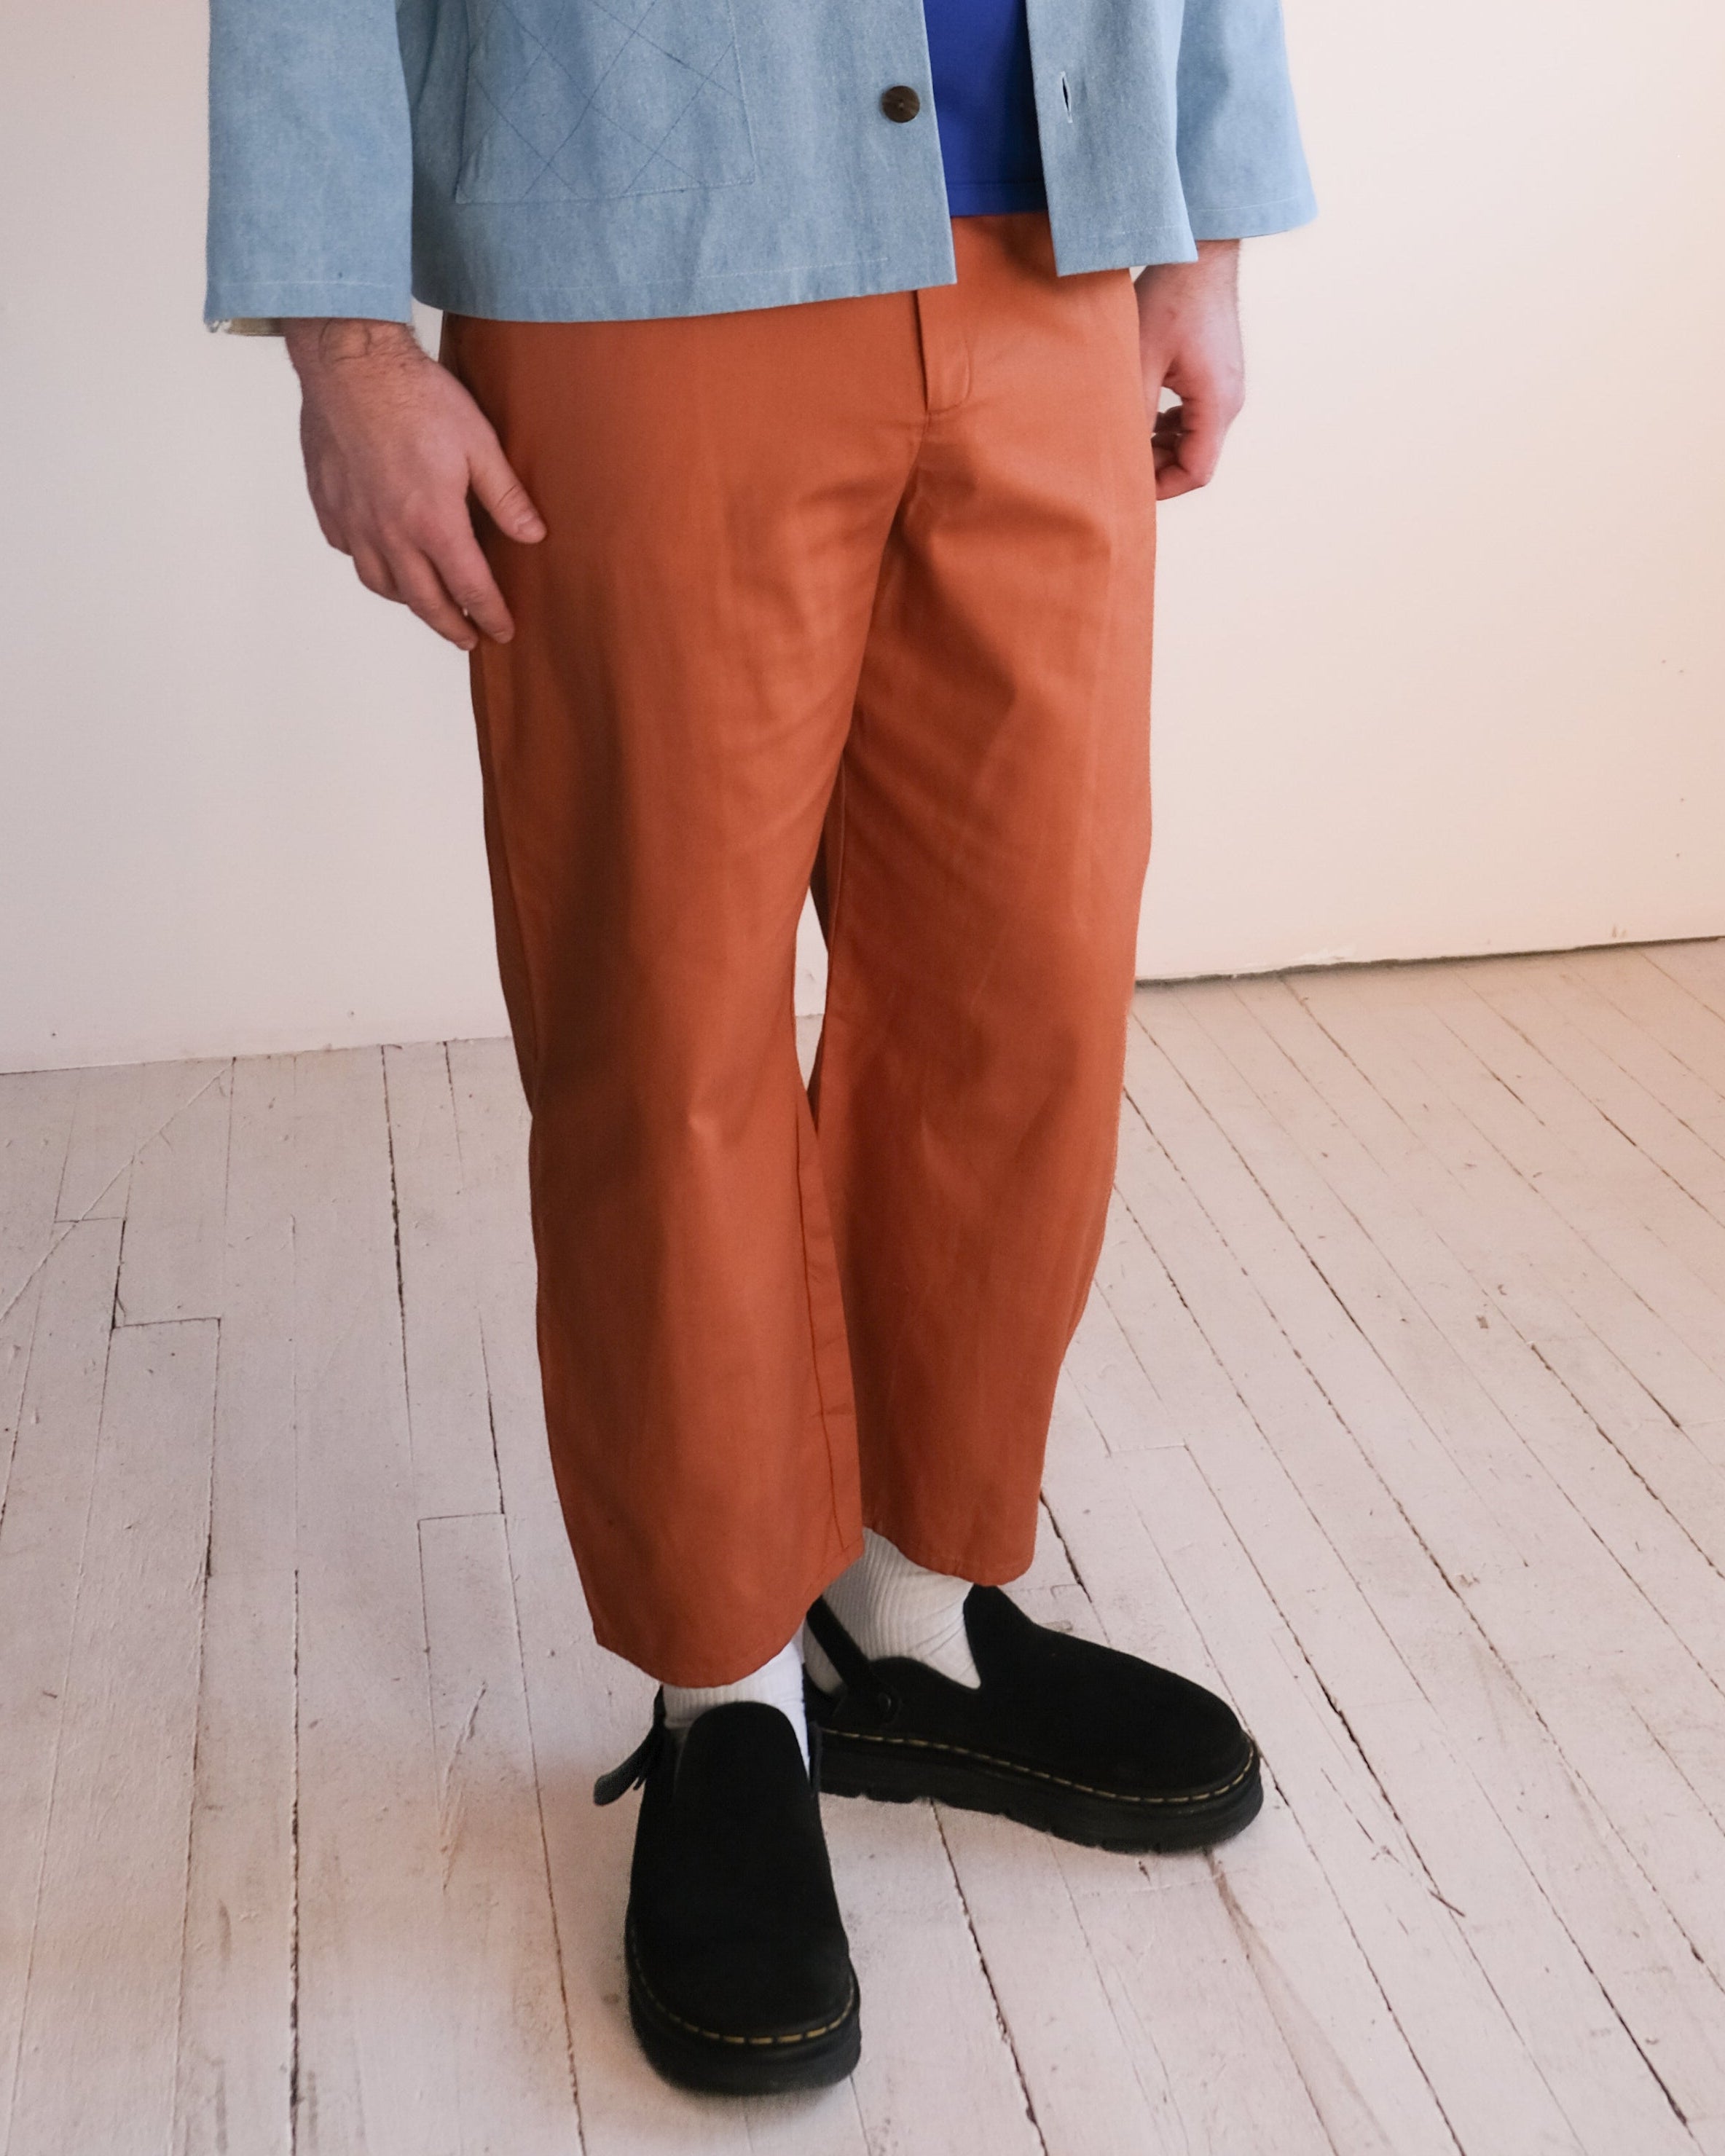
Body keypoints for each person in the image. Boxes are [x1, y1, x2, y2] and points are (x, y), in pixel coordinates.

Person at [208, 0, 1312, 2095]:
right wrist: (346, 343)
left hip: (1052, 252)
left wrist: (1205, 226)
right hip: (641, 251)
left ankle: (913, 1623)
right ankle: (728, 1699)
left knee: (1027, 987)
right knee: (664, 1025)